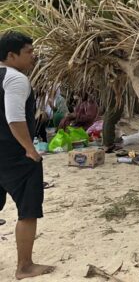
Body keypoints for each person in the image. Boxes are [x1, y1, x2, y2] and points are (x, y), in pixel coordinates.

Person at [0, 31, 56, 279]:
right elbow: (15, 118)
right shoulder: (16, 79)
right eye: (28, 52)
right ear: (11, 55)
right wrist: (29, 149)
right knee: (28, 209)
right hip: (14, 155)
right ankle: (24, 266)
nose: (33, 57)